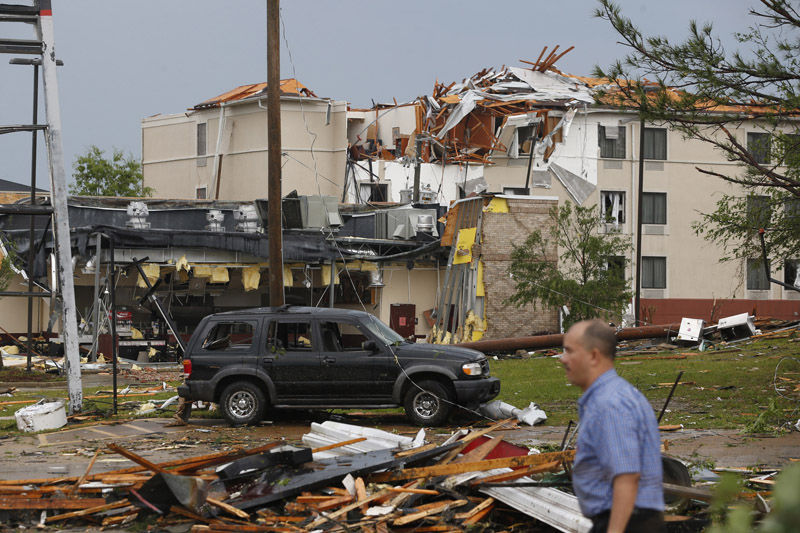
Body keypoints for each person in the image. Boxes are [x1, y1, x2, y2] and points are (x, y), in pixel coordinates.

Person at [561, 319, 664, 533]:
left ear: (593, 356)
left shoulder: (610, 404)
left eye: (570, 351)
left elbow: (627, 476)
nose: (562, 359)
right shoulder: (614, 396)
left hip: (628, 523)